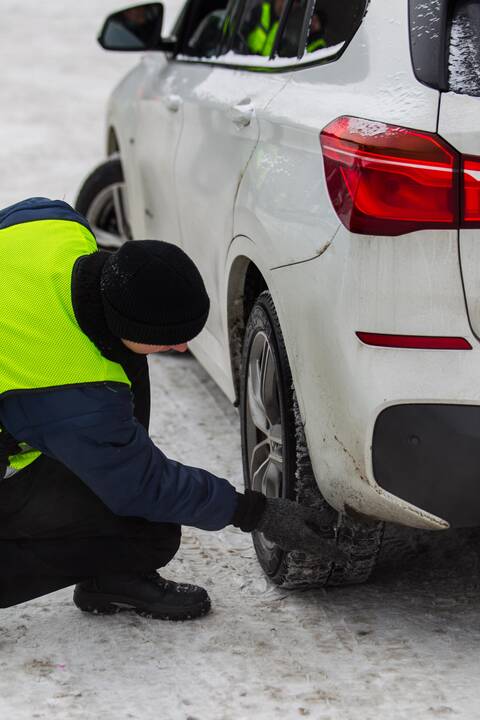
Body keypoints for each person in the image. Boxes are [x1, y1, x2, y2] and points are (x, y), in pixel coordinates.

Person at [0, 197, 341, 621]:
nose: (181, 348)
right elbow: (144, 486)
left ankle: (109, 577)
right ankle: (112, 573)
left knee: (127, 369)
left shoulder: (53, 225)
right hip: (43, 399)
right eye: (171, 338)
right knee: (146, 532)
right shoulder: (74, 390)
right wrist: (256, 511)